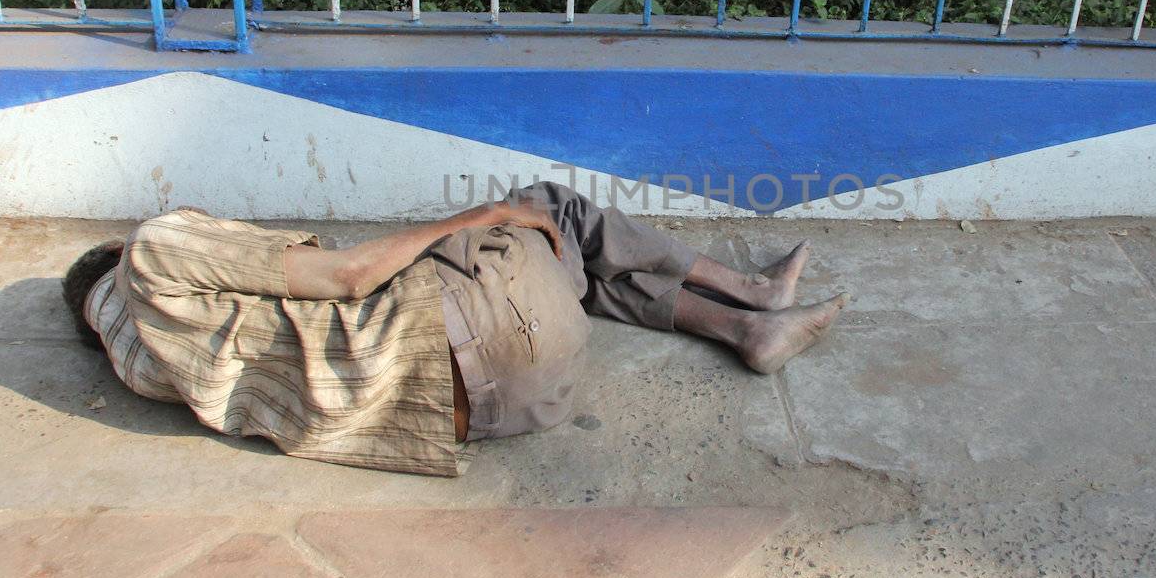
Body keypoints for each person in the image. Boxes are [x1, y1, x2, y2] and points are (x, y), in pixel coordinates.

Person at [61, 181, 849, 476]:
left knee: (568, 274)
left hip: (510, 407)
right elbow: (348, 274)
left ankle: (749, 331)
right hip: (478, 330)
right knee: (553, 213)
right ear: (116, 257)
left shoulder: (151, 363)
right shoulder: (160, 252)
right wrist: (489, 215)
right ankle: (750, 291)